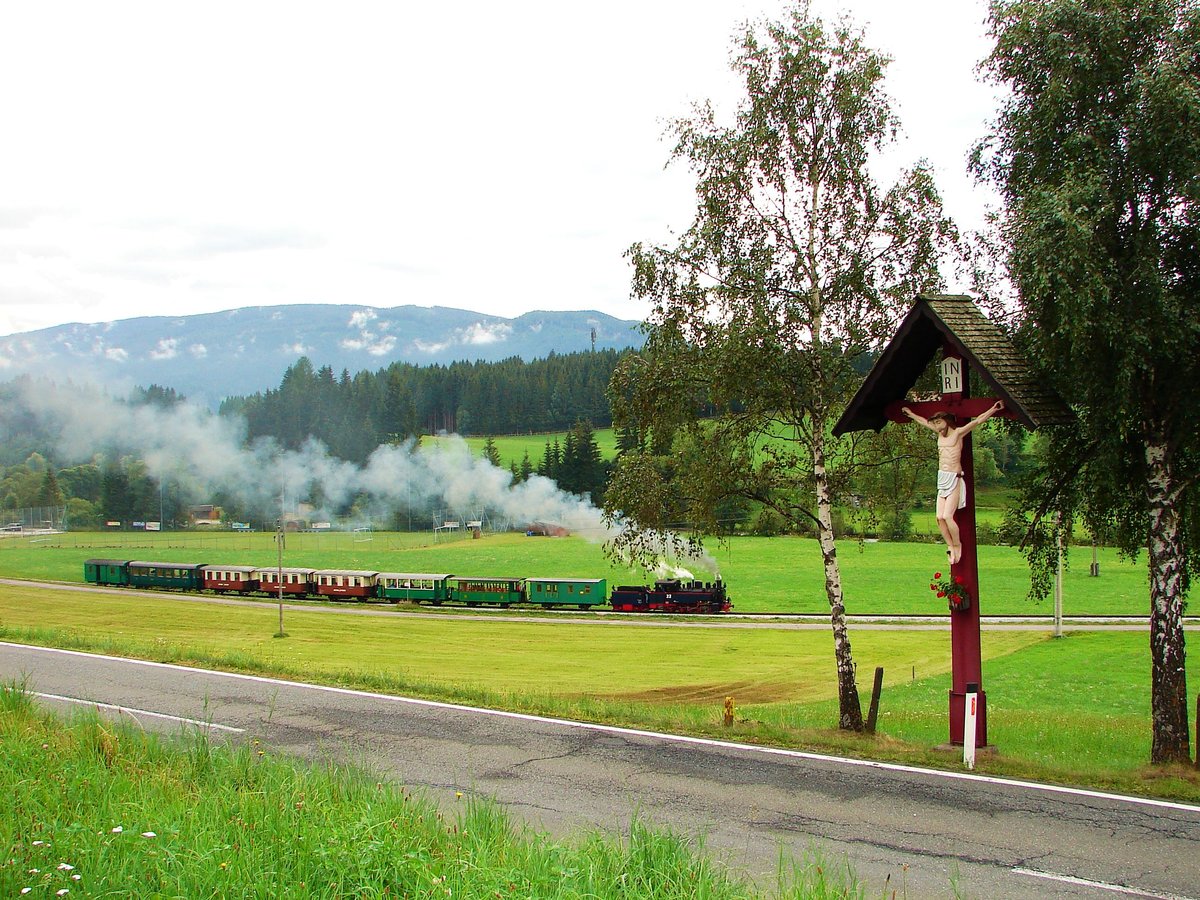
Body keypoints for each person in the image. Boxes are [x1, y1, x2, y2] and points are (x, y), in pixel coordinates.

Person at [901, 400, 1005, 564]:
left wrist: (993, 409)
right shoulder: (938, 434)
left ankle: (957, 545)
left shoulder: (957, 434)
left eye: (939, 422)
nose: (937, 425)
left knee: (948, 516)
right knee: (939, 517)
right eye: (935, 423)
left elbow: (978, 421)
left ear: (947, 421)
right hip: (942, 478)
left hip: (954, 478)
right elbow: (922, 422)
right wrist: (911, 414)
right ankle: (949, 544)